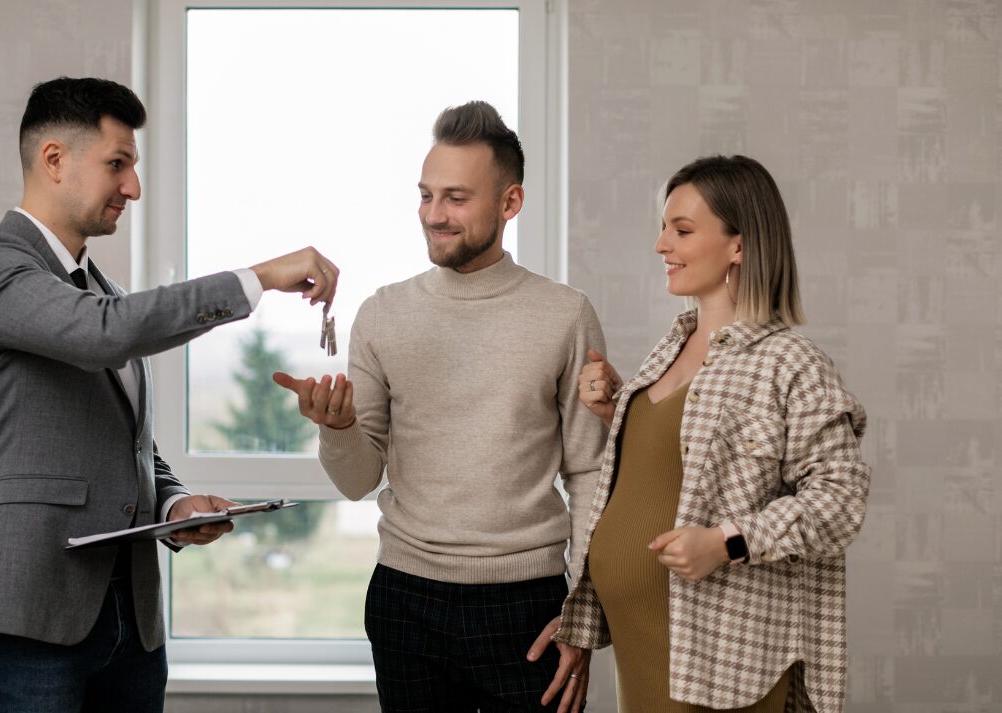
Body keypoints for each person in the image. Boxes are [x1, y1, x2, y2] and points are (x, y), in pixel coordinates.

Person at [0, 76, 339, 713]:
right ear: (54, 161)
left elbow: (129, 444)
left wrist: (174, 504)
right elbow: (104, 335)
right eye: (117, 164)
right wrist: (257, 278)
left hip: (130, 626)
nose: (133, 188)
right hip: (25, 616)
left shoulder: (103, 291)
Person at [273, 101, 620, 713]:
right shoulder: (383, 313)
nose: (434, 215)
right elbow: (357, 481)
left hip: (529, 604)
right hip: (405, 600)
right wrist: (338, 428)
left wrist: (583, 610)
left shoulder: (564, 313)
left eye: (456, 198)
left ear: (509, 203)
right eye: (426, 196)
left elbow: (590, 470)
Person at [555, 155, 870, 713]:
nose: (660, 245)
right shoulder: (672, 346)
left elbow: (840, 501)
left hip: (722, 657)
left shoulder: (791, 363)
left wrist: (728, 542)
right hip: (644, 643)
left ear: (739, 246)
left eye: (681, 230)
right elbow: (682, 466)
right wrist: (619, 415)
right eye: (663, 228)